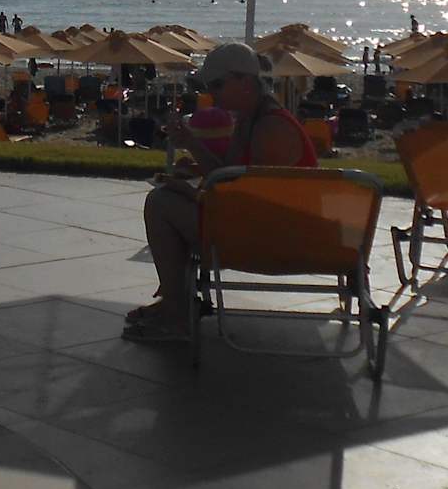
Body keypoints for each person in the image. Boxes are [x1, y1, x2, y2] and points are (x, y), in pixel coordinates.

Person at [124, 42, 318, 344]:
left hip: (273, 237)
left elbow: (248, 201)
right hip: (267, 226)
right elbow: (226, 175)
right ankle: (177, 302)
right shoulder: (251, 120)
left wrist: (192, 193)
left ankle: (177, 311)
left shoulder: (271, 129)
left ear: (244, 81)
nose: (211, 94)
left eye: (217, 85)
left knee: (161, 204)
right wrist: (191, 144)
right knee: (164, 200)